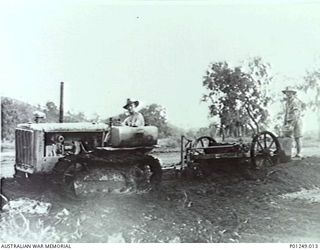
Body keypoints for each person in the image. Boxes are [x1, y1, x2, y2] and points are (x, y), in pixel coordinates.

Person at [282, 87, 303, 158]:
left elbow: (296, 114)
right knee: (288, 136)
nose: (288, 94)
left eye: (290, 92)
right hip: (289, 120)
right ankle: (288, 154)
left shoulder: (295, 101)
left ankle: (299, 153)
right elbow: (286, 113)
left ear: (293, 93)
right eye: (287, 92)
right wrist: (284, 123)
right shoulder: (287, 102)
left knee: (297, 137)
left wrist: (292, 125)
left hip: (296, 121)